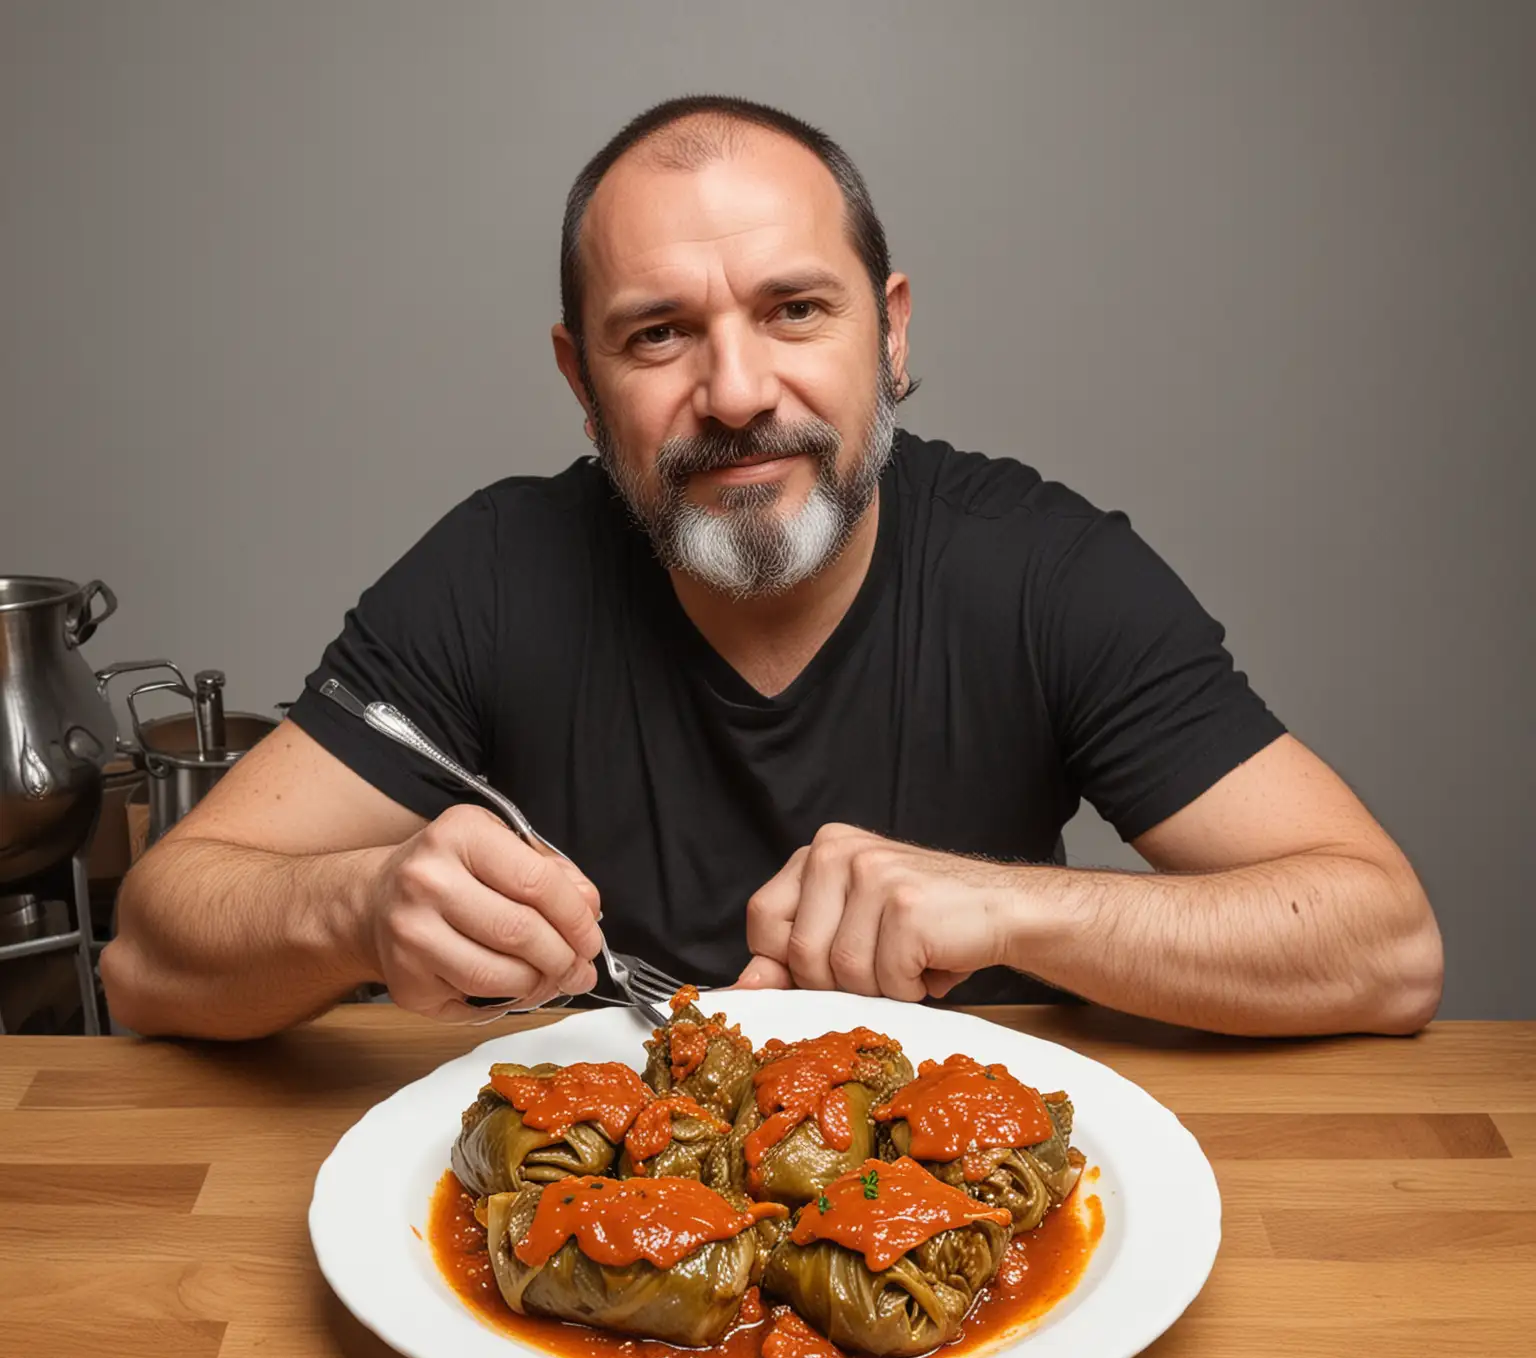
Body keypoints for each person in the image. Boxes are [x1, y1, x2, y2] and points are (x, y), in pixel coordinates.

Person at [101, 95, 1443, 1042]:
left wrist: (1002, 904)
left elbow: (1384, 947)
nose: (738, 393)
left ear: (892, 332)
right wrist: (358, 906)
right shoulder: (492, 572)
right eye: (658, 336)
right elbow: (153, 955)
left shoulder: (1048, 570)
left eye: (794, 310)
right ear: (581, 384)